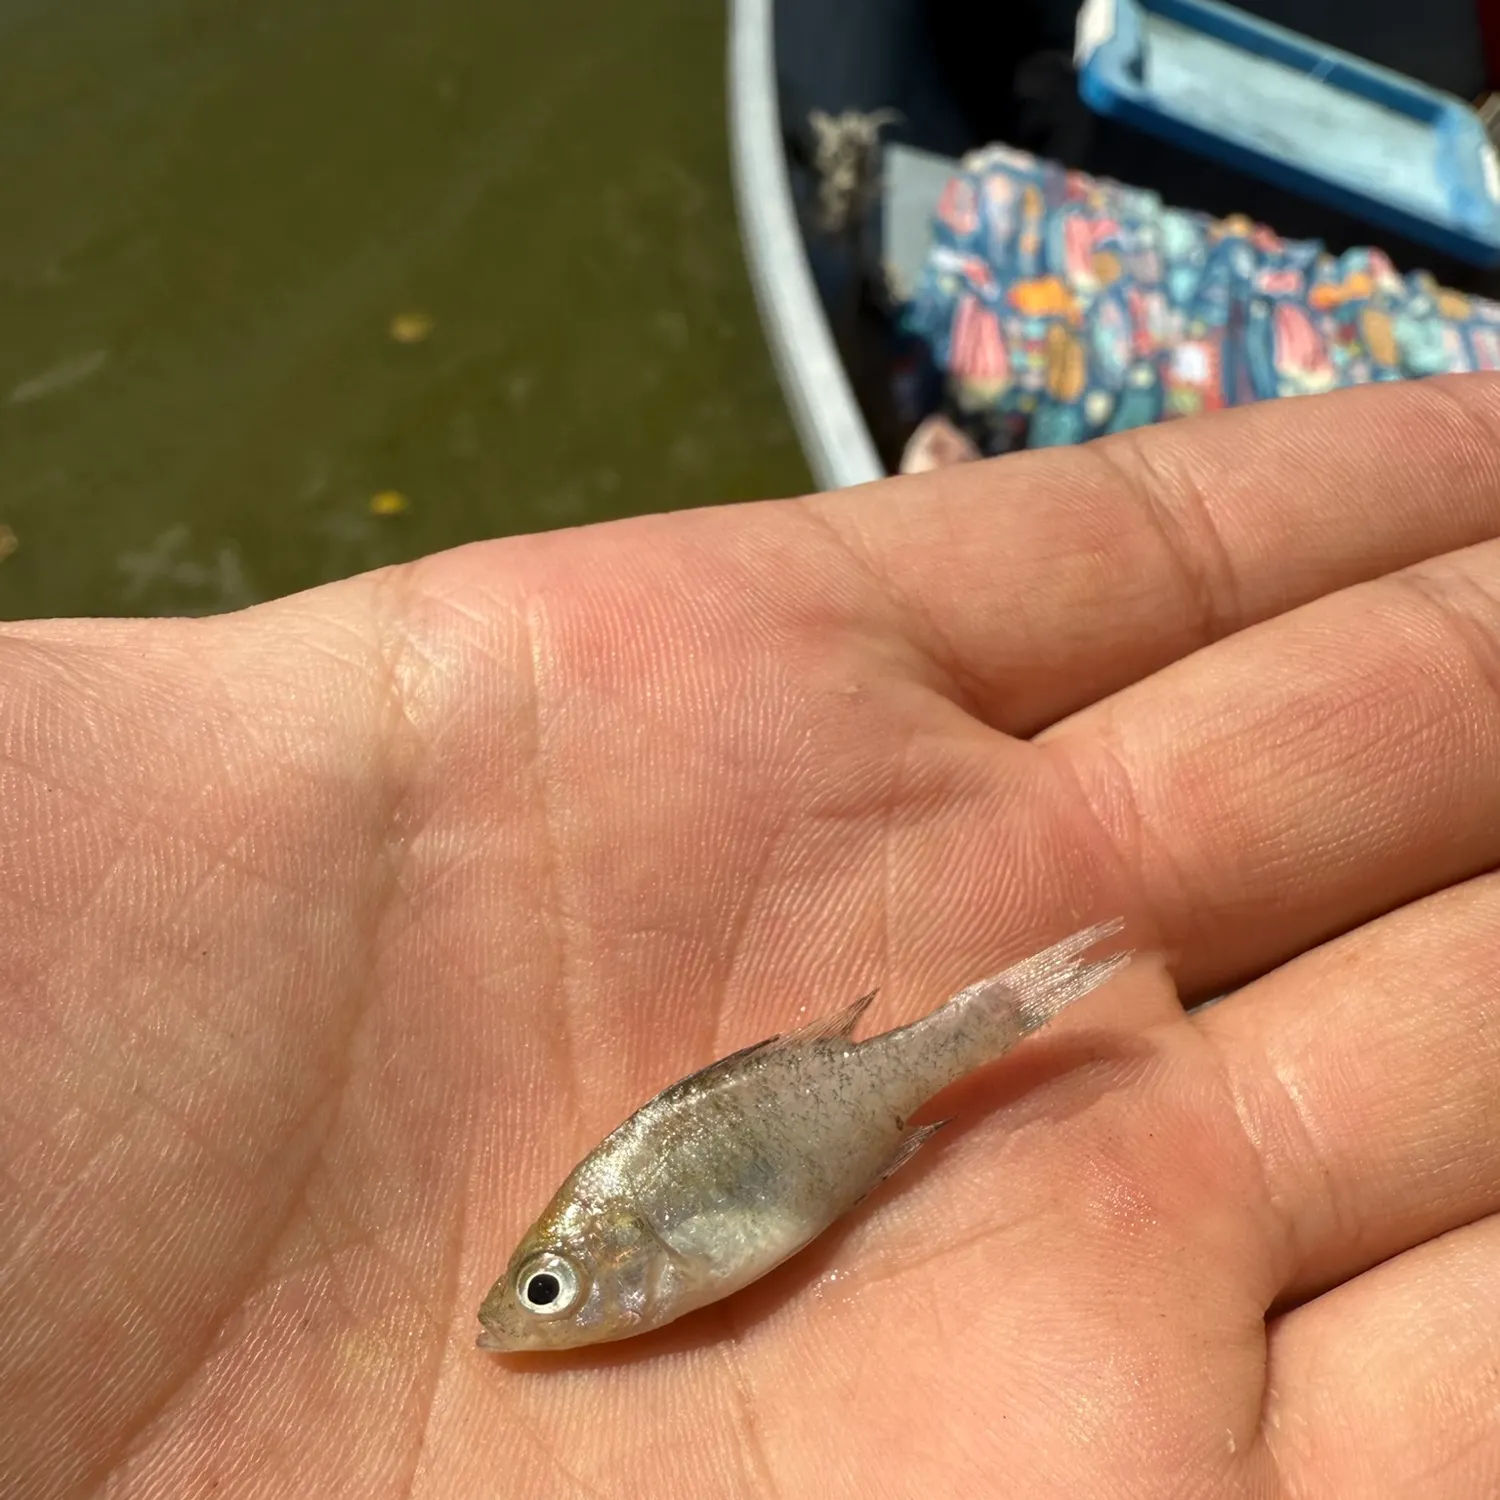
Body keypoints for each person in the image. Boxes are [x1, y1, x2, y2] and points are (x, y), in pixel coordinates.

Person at [3, 376, 1498, 1499]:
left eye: (548, 1292)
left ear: (600, 1259)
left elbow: (731, 1176)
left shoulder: (646, 1233)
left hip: (840, 1101)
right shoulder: (639, 1246)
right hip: (839, 1108)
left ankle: (1032, 998)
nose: (536, 1319)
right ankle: (1030, 999)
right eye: (544, 1291)